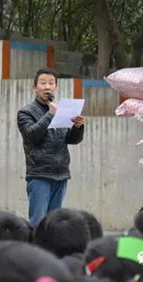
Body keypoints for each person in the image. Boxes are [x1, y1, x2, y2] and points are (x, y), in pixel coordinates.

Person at [17, 68, 85, 227]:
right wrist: (50, 114)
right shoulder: (25, 112)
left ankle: (51, 252)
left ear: (56, 87)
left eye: (51, 83)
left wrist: (78, 127)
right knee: (38, 224)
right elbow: (31, 134)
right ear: (35, 88)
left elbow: (71, 140)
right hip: (40, 174)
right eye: (42, 83)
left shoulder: (64, 110)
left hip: (61, 174)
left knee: (54, 225)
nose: (47, 87)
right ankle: (34, 251)